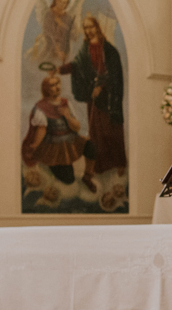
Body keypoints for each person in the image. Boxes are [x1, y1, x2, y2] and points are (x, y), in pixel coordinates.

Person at [60, 15, 127, 191]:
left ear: (97, 27)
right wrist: (62, 69)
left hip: (109, 98)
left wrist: (102, 85)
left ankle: (119, 163)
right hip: (94, 98)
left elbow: (113, 73)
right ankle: (99, 167)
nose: (88, 30)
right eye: (85, 27)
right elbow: (78, 65)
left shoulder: (109, 50)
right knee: (96, 132)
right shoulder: (85, 47)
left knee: (111, 130)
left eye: (91, 27)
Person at [22, 74, 87, 186]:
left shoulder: (66, 103)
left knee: (91, 148)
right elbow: (41, 129)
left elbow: (77, 127)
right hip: (53, 145)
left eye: (58, 83)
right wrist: (36, 145)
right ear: (46, 89)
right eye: (52, 85)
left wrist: (67, 116)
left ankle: (88, 177)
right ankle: (49, 165)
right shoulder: (41, 107)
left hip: (70, 140)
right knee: (69, 179)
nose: (57, 87)